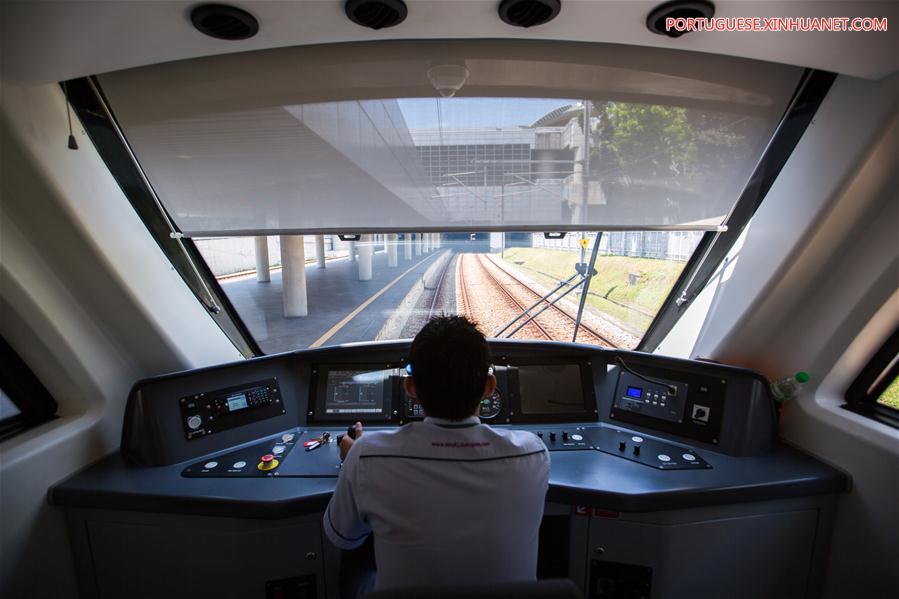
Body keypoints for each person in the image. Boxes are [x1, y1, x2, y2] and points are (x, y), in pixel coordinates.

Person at [323, 315, 550, 593]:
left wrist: (353, 460)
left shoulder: (365, 457)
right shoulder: (533, 454)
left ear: (410, 389)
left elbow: (342, 536)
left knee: (354, 557)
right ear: (489, 387)